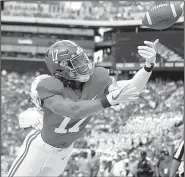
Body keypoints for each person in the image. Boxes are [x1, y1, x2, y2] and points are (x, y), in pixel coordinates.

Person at [8, 39, 158, 177]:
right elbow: (73, 110)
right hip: (40, 149)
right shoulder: (49, 87)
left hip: (64, 153)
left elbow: (132, 88)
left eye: (82, 58)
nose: (83, 64)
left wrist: (148, 66)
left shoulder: (96, 78)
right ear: (61, 69)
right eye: (76, 62)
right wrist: (109, 100)